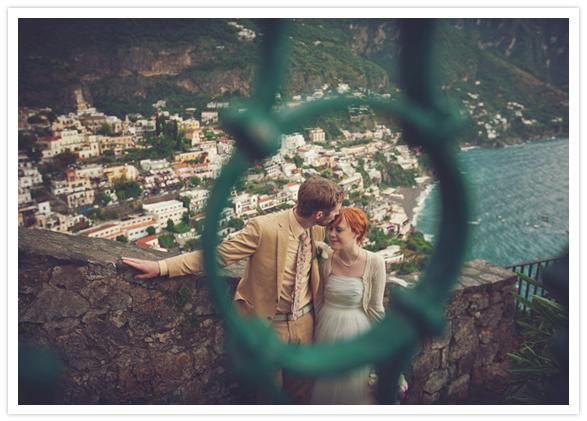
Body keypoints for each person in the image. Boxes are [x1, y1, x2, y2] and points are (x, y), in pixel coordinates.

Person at [122, 176, 344, 405]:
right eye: (335, 212)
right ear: (319, 214)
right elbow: (216, 256)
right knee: (270, 393)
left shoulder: (317, 232)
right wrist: (162, 266)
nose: (337, 215)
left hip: (305, 321)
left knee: (301, 391)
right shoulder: (263, 228)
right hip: (270, 325)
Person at [310, 207, 386, 405]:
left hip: (357, 333)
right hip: (326, 330)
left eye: (339, 230)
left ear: (357, 232)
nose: (332, 234)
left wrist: (386, 346)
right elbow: (319, 298)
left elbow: (376, 308)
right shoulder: (325, 259)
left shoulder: (375, 262)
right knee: (324, 385)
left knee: (353, 387)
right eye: (330, 229)